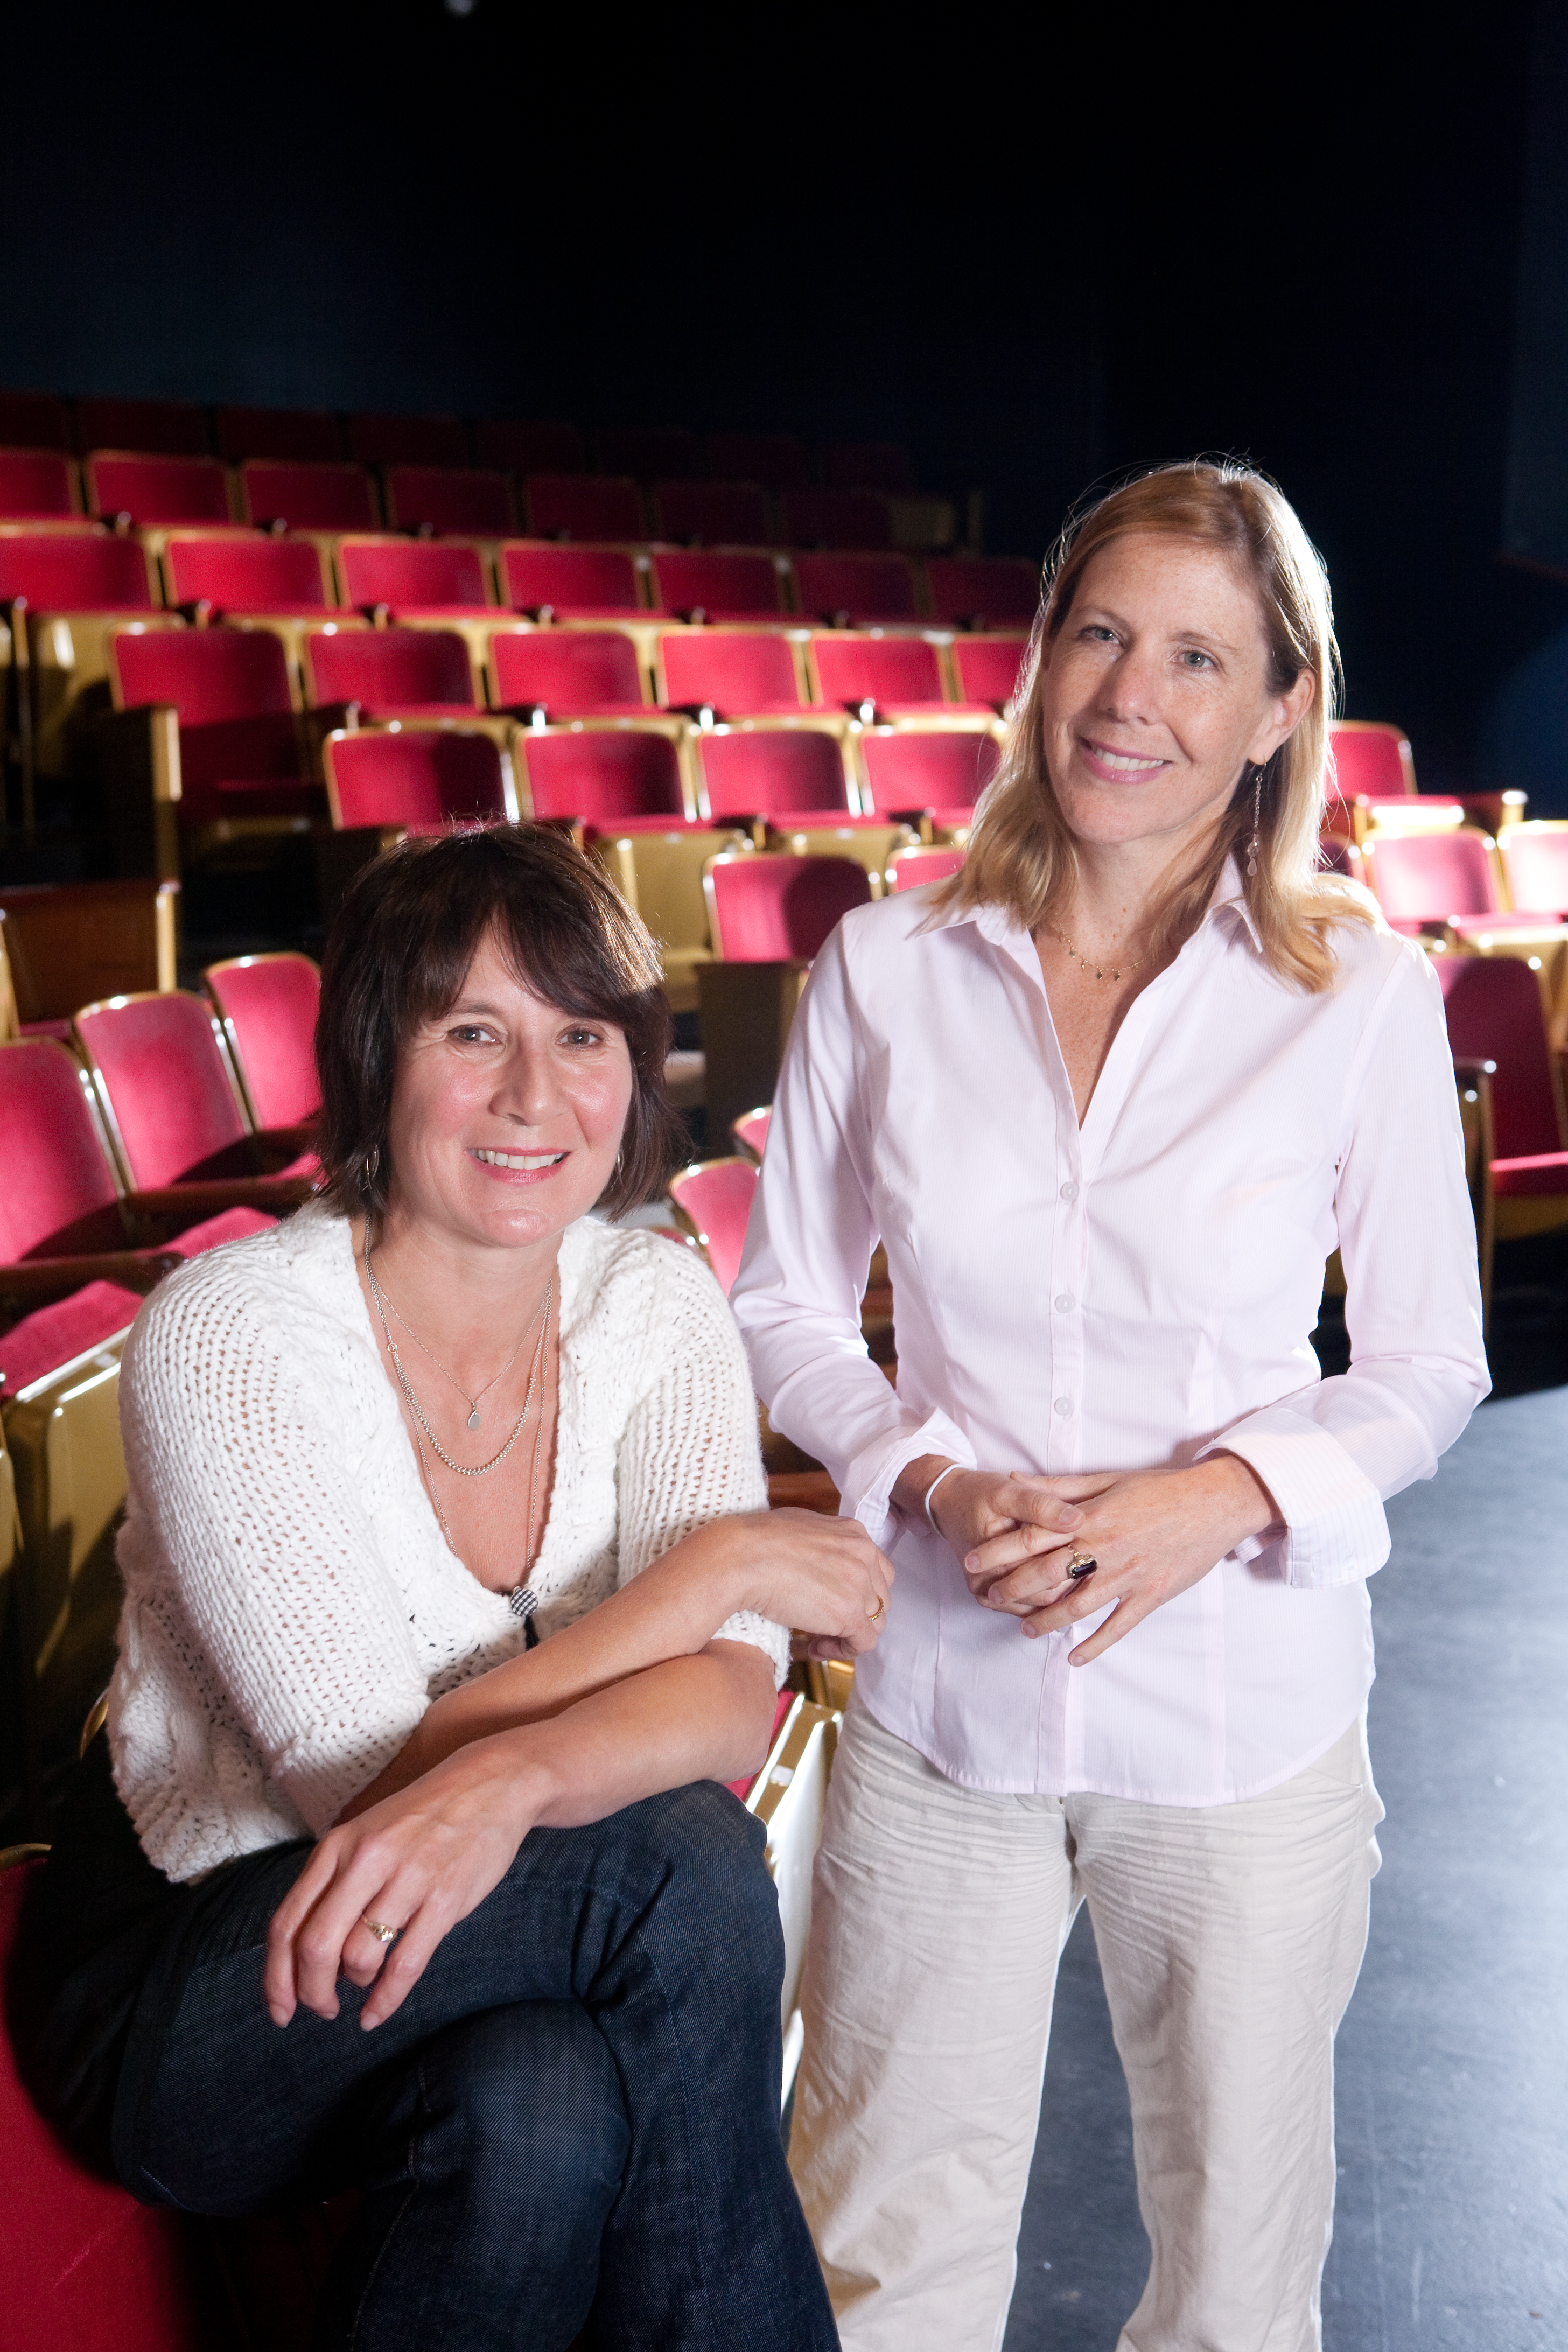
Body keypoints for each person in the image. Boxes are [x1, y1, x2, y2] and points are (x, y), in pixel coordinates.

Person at [731, 460, 1489, 2352]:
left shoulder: (1362, 1001)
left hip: (1242, 1716)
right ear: (1040, 655)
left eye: (1198, 658)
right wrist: (924, 1479)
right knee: (884, 2254)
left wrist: (1220, 1495)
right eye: (1099, 635)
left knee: (1237, 2286)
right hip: (938, 1708)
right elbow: (783, 1306)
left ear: (1279, 711)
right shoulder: (886, 971)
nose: (1130, 699)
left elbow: (1425, 1362)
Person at [24, 823, 892, 2351]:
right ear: (376, 1052)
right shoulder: (233, 1339)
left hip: (487, 1933)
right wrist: (718, 1569)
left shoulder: (655, 1300)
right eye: (472, 1033)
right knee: (675, 1868)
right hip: (212, 1962)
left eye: (582, 1038)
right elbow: (373, 1785)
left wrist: (530, 1767)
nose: (532, 1099)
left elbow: (719, 1705)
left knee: (538, 2109)